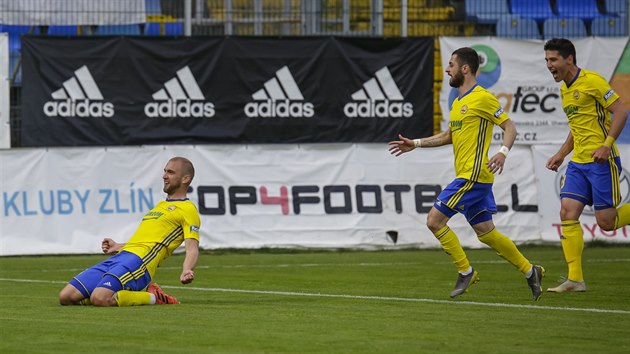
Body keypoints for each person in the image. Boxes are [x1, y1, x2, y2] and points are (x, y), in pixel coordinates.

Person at [388, 47, 545, 300]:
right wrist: (415, 144)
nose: (447, 69)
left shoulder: (482, 97)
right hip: (471, 176)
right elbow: (449, 136)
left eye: (451, 64)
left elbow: (510, 127)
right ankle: (530, 271)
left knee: (434, 221)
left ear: (465, 68)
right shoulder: (458, 101)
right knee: (487, 233)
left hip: (472, 176)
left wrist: (503, 152)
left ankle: (466, 271)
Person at [544, 38, 629, 293]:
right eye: (547, 60)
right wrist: (561, 154)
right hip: (578, 163)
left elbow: (621, 111)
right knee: (567, 212)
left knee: (606, 222)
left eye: (553, 60)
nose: (549, 65)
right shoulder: (565, 89)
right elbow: (576, 128)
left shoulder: (592, 81)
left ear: (569, 59)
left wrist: (607, 144)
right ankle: (575, 280)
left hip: (602, 161)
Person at [58, 157, 201, 306]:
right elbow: (148, 239)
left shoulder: (188, 209)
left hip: (139, 262)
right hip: (120, 257)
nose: (164, 176)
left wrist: (187, 269)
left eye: (170, 172)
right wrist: (118, 246)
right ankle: (107, 294)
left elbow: (192, 248)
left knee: (100, 298)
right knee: (66, 297)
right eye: (164, 171)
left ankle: (154, 297)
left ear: (185, 178)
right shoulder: (160, 205)